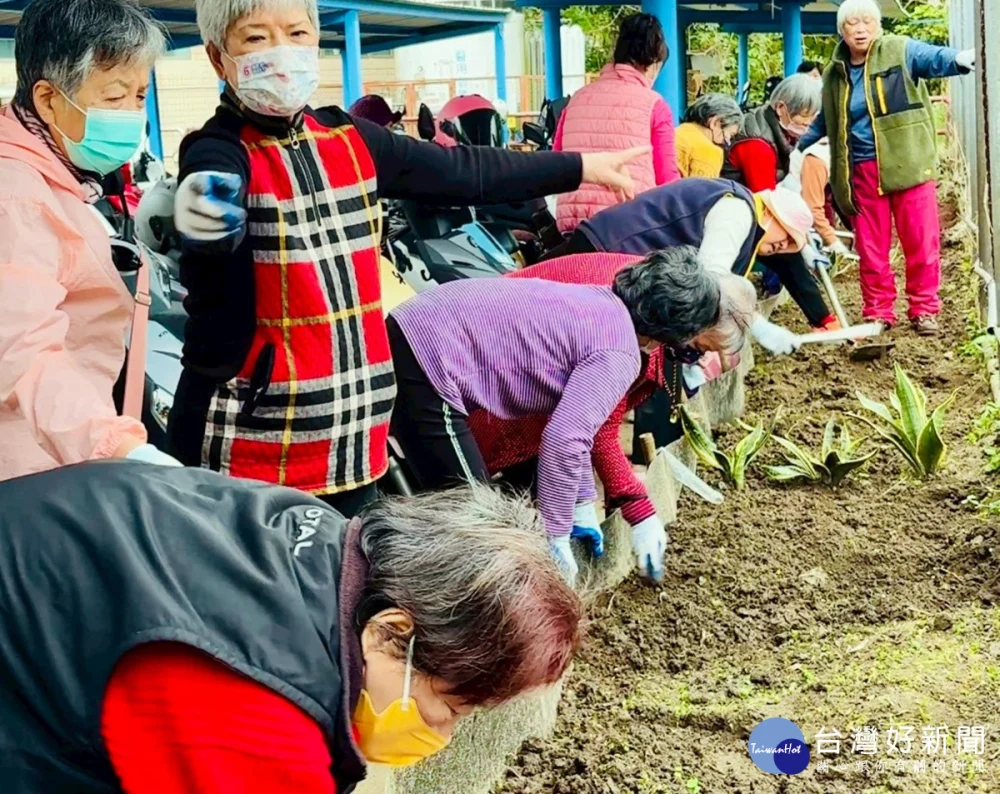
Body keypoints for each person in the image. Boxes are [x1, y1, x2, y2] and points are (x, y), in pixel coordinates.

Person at [169, 0, 649, 519]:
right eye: (256, 38)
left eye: (297, 33)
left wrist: (578, 167)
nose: (282, 53)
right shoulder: (218, 151)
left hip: (354, 432)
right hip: (251, 438)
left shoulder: (348, 138)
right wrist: (207, 220)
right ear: (218, 58)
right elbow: (208, 214)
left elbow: (463, 170)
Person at [0, 462, 581, 792]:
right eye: (450, 708)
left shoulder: (328, 539)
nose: (443, 736)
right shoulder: (261, 714)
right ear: (390, 632)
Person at [387, 249, 731, 585]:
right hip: (429, 356)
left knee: (456, 504)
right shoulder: (620, 352)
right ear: (676, 331)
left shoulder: (601, 303)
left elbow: (577, 423)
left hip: (417, 324)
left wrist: (581, 502)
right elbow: (565, 440)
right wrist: (557, 536)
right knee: (479, 522)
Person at [0, 0, 178, 482]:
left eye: (139, 96)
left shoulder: (58, 172)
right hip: (30, 467)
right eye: (115, 96)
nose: (132, 114)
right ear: (48, 99)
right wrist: (115, 445)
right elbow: (21, 351)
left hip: (53, 449)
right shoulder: (16, 195)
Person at [797, 0, 975, 336]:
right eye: (852, 23)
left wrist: (958, 59)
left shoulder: (899, 50)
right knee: (871, 246)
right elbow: (826, 119)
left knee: (920, 240)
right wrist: (797, 147)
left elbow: (931, 58)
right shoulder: (834, 73)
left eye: (867, 21)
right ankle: (878, 311)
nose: (860, 29)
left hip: (908, 163)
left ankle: (924, 309)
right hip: (861, 170)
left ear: (878, 26)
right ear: (841, 31)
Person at [542, 177, 815, 356]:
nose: (784, 245)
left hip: (616, 256)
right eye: (786, 235)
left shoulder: (741, 212)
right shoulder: (738, 212)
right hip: (608, 253)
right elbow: (710, 279)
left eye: (792, 244)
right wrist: (757, 324)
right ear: (770, 212)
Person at [722, 74, 837, 331]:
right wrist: (801, 242)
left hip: (749, 205)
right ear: (782, 107)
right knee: (787, 255)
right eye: (802, 119)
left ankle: (824, 321)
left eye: (812, 120)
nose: (806, 126)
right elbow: (768, 201)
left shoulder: (772, 127)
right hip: (735, 212)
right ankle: (825, 322)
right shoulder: (757, 144)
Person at [553, 12, 680, 234]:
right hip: (630, 226)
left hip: (572, 227)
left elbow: (556, 161)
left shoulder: (577, 98)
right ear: (654, 64)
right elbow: (667, 179)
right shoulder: (654, 104)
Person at [783, 137, 853, 258]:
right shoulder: (817, 161)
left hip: (808, 205)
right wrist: (833, 241)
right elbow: (812, 208)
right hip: (791, 214)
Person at [674, 93, 743, 179]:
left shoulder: (678, 131)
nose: (728, 141)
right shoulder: (710, 151)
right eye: (730, 134)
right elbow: (703, 187)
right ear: (715, 122)